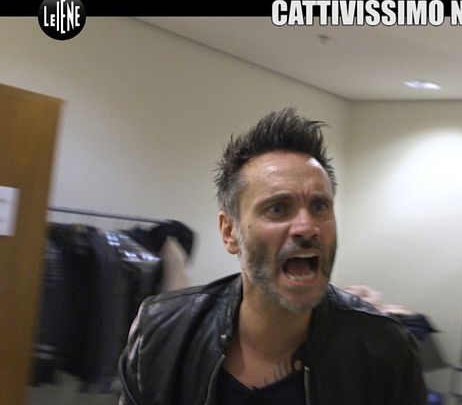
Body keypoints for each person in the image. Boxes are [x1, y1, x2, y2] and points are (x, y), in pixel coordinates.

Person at [118, 108, 427, 404]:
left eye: (320, 206)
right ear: (229, 232)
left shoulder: (384, 349)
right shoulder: (163, 332)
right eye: (278, 208)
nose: (307, 227)